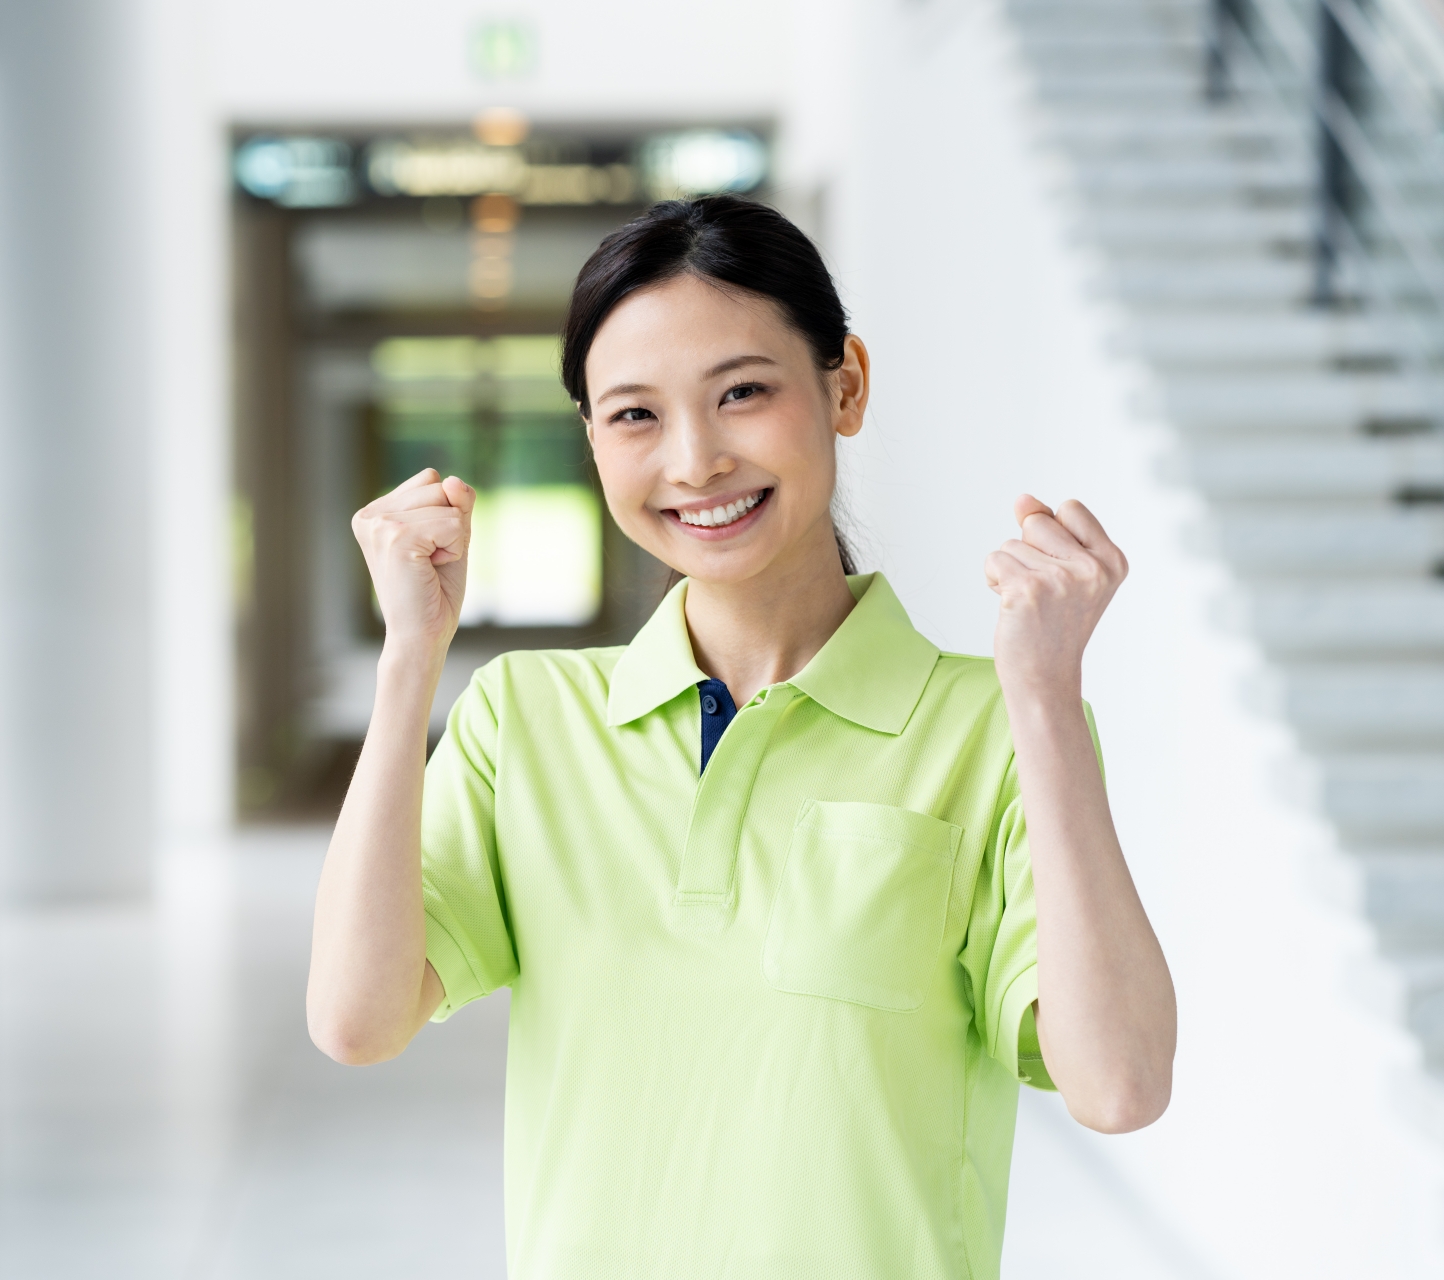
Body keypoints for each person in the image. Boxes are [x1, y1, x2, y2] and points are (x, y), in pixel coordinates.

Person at [306, 194, 1176, 1278]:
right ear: (591, 438)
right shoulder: (523, 718)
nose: (696, 459)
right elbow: (356, 1017)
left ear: (844, 385)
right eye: (634, 415)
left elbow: (1120, 1083)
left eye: (744, 393)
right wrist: (409, 663)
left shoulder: (994, 728)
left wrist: (1045, 697)